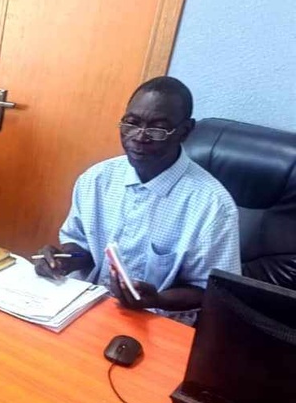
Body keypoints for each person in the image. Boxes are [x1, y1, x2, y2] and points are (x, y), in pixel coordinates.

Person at [33, 76, 241, 322]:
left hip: (159, 321)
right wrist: (64, 260)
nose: (140, 136)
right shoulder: (97, 179)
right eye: (131, 123)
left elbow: (211, 293)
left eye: (158, 129)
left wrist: (158, 300)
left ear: (184, 131)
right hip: (90, 308)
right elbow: (84, 250)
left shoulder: (212, 205)